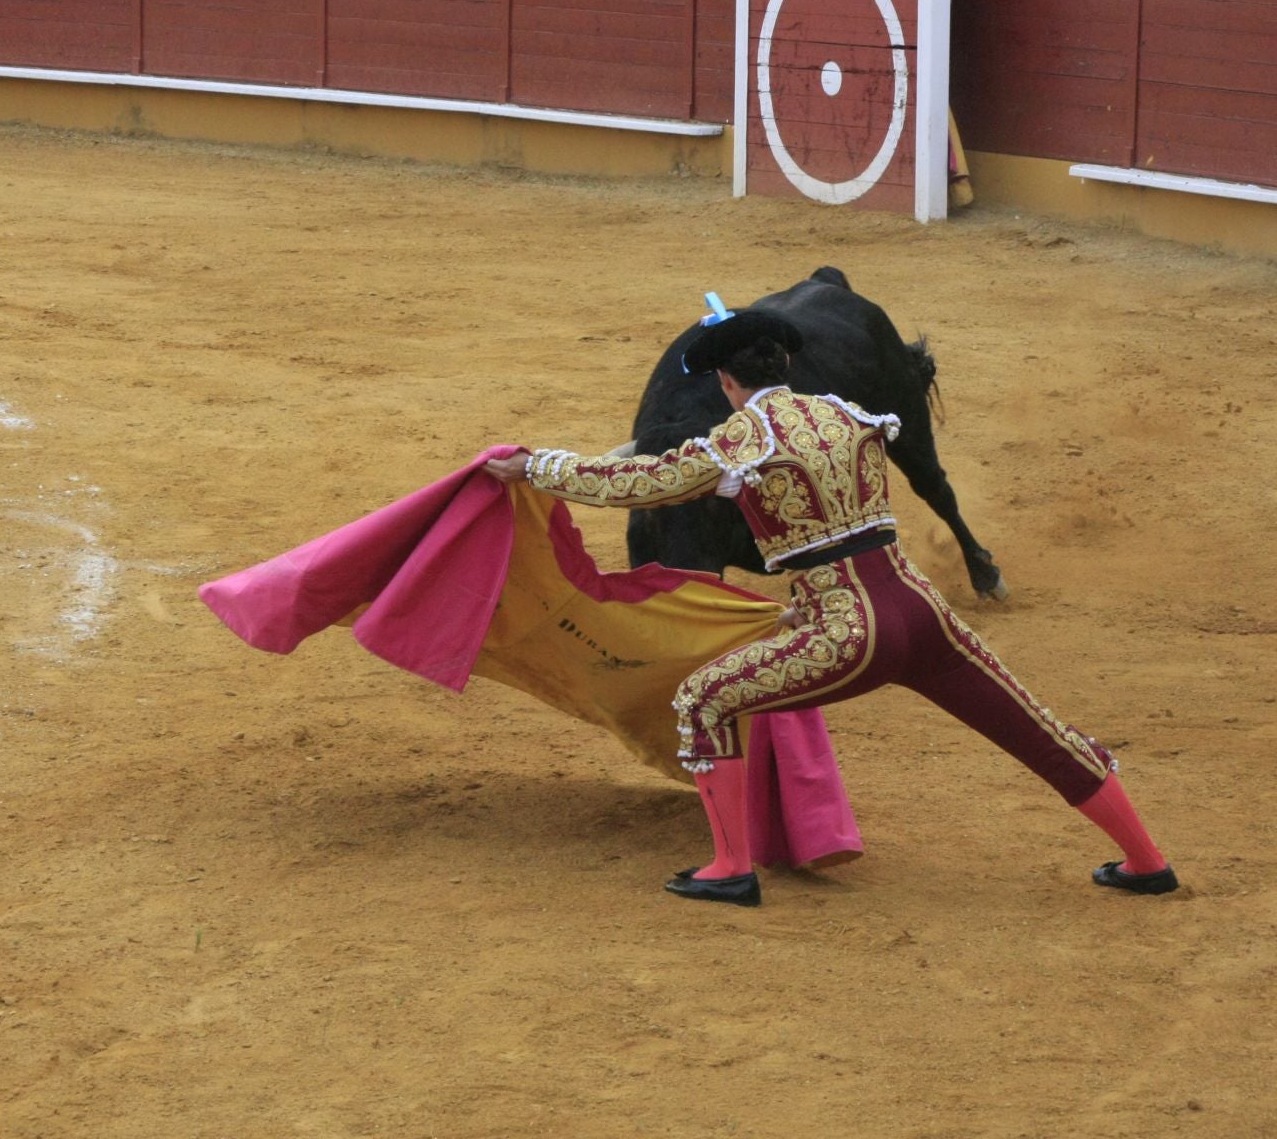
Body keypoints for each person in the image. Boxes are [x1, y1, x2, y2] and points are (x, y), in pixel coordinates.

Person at [482, 303, 1178, 907]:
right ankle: (1148, 863)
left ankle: (729, 869)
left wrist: (535, 466)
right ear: (784, 363)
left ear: (728, 383)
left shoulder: (741, 439)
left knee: (703, 700)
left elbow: (644, 480)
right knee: (1038, 732)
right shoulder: (845, 413)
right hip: (921, 613)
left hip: (846, 634)